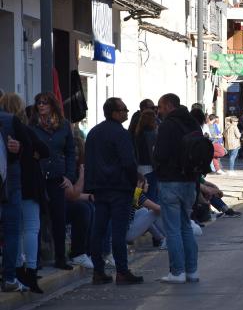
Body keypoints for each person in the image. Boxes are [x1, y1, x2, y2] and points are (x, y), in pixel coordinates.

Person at [85, 97, 142, 285]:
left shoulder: (93, 132)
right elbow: (128, 161)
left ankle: (98, 271)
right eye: (124, 109)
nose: (127, 112)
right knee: (118, 231)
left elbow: (89, 161)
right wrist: (136, 180)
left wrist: (90, 186)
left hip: (99, 188)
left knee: (98, 230)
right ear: (115, 113)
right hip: (119, 188)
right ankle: (122, 271)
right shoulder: (120, 133)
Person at [154, 93, 207, 283]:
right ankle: (192, 271)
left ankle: (177, 272)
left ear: (168, 106)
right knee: (186, 225)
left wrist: (158, 168)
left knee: (173, 229)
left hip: (170, 181)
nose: (158, 111)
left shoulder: (167, 126)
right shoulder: (193, 123)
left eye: (160, 107)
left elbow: (160, 153)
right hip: (190, 182)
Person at [30, 92, 76, 270]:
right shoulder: (32, 126)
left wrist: (69, 176)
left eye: (44, 103)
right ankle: (37, 258)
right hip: (38, 177)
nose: (41, 106)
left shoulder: (63, 126)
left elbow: (71, 152)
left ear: (52, 106)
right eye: (38, 103)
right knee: (38, 218)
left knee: (59, 218)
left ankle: (60, 257)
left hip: (58, 177)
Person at [0, 94, 35, 292]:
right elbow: (28, 148)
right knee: (12, 230)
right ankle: (9, 277)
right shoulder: (10, 120)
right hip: (9, 183)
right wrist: (18, 148)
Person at [134, 109, 158, 201]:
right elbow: (153, 152)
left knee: (139, 196)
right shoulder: (153, 134)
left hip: (139, 168)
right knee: (151, 196)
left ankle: (136, 213)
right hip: (150, 168)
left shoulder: (137, 134)